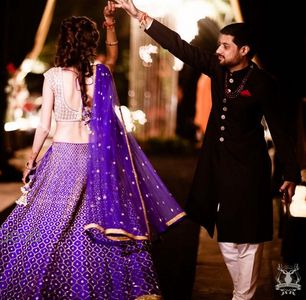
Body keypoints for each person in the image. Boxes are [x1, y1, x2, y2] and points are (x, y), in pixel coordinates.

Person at [0, 2, 185, 299]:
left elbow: (44, 127)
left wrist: (31, 160)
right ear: (91, 43)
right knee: (93, 221)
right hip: (92, 158)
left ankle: (36, 285)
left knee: (47, 223)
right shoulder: (100, 72)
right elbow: (112, 56)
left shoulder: (52, 77)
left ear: (64, 42)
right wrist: (110, 24)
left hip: (61, 156)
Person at [115, 1, 301, 299]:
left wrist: (291, 173)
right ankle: (243, 292)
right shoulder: (216, 68)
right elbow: (179, 47)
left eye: (225, 46)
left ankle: (244, 294)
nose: (219, 50)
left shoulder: (264, 84)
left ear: (244, 50)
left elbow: (281, 131)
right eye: (219, 44)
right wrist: (140, 16)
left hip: (249, 169)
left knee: (249, 236)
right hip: (216, 167)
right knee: (226, 237)